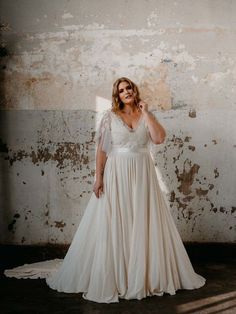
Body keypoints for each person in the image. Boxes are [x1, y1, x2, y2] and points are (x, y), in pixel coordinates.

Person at [4, 77, 206, 303]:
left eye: (129, 87)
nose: (126, 91)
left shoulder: (145, 115)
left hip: (143, 175)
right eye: (122, 90)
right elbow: (101, 151)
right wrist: (98, 177)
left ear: (134, 90)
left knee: (141, 220)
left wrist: (147, 113)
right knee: (117, 220)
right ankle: (119, 274)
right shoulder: (109, 117)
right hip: (117, 173)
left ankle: (143, 273)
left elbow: (159, 139)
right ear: (117, 95)